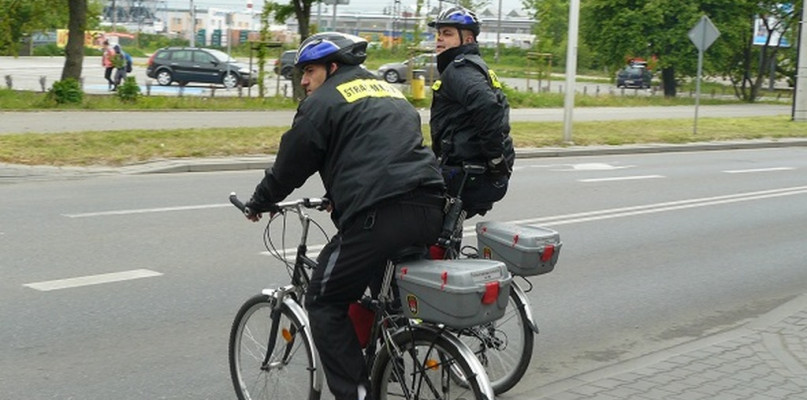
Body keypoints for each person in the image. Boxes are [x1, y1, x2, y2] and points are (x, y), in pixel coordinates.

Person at [243, 32, 446, 400]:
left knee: (322, 300)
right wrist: (340, 194)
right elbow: (377, 150)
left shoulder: (323, 102)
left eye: (309, 71)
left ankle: (356, 394)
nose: (303, 80)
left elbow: (292, 162)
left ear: (332, 67)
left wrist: (260, 201)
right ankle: (394, 356)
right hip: (430, 207)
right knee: (383, 292)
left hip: (379, 215)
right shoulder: (389, 92)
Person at [428, 6, 515, 218]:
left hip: (468, 172)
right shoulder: (475, 66)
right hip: (475, 169)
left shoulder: (461, 70)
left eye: (447, 34)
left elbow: (488, 107)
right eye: (438, 34)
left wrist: (494, 159)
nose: (439, 39)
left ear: (467, 40)